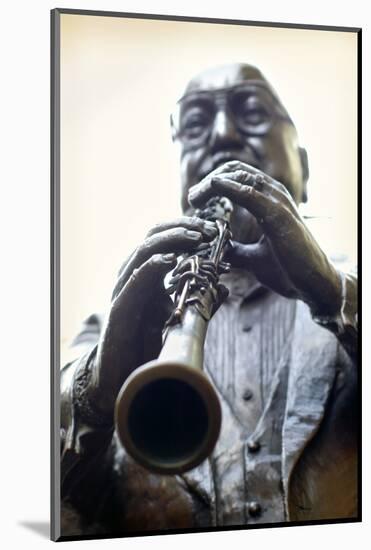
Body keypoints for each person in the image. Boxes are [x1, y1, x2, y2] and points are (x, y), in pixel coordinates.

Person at [60, 63, 358, 537]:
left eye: (253, 112)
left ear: (304, 166)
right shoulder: (116, 320)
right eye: (196, 123)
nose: (222, 135)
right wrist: (95, 389)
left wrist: (335, 293)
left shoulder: (353, 285)